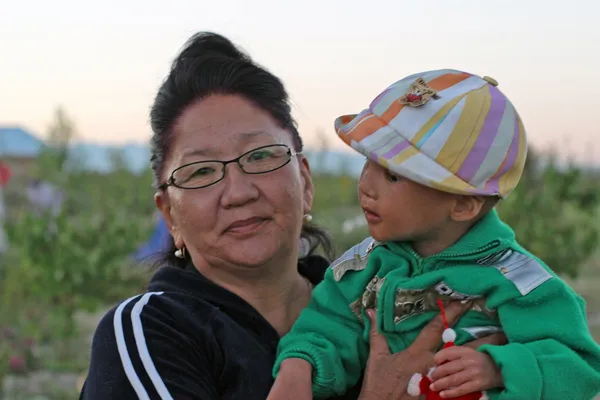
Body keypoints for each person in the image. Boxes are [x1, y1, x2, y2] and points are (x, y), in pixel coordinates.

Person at [79, 34, 506, 400]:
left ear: (305, 180)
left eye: (261, 156)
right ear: (170, 214)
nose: (239, 192)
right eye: (202, 171)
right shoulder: (154, 330)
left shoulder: (378, 300)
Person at [270, 70, 600, 400]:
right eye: (368, 163)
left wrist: (501, 368)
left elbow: (579, 367)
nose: (366, 186)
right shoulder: (366, 267)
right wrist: (299, 366)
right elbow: (326, 328)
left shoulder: (517, 282)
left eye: (393, 176)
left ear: (462, 206)